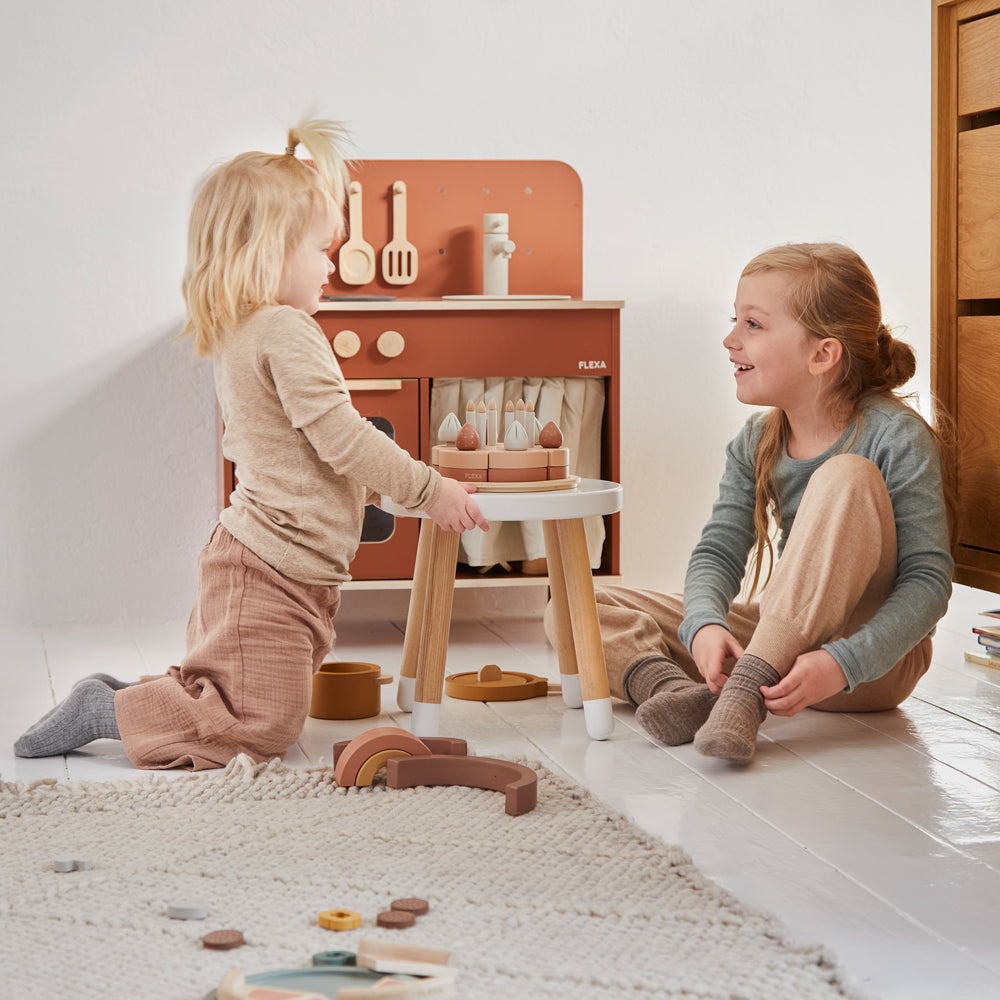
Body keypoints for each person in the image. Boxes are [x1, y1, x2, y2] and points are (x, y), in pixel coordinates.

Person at [15, 118, 488, 769]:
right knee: (262, 724)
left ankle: (127, 701)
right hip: (270, 567)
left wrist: (376, 498)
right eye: (321, 249)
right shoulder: (285, 330)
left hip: (281, 563)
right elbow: (344, 440)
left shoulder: (249, 331)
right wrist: (431, 491)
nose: (331, 265)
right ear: (270, 249)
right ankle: (105, 712)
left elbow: (311, 450)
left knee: (250, 705)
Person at [553, 242, 954, 764]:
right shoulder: (756, 439)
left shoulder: (894, 437)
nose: (730, 339)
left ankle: (744, 690)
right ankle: (678, 695)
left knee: (847, 475)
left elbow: (929, 581)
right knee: (573, 609)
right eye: (735, 320)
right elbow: (718, 550)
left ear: (822, 354)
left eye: (753, 325)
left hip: (870, 668)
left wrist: (843, 662)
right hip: (779, 645)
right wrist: (704, 626)